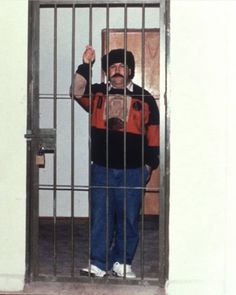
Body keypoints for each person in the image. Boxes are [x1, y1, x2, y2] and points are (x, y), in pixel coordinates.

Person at [71, 45, 159, 278]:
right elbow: (77, 92)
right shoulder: (98, 93)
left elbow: (154, 134)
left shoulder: (146, 98)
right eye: (112, 67)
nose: (117, 70)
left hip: (133, 170)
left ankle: (122, 262)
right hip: (102, 168)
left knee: (129, 218)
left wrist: (149, 165)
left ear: (130, 70)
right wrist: (85, 64)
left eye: (122, 66)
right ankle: (98, 263)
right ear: (107, 72)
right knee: (101, 216)